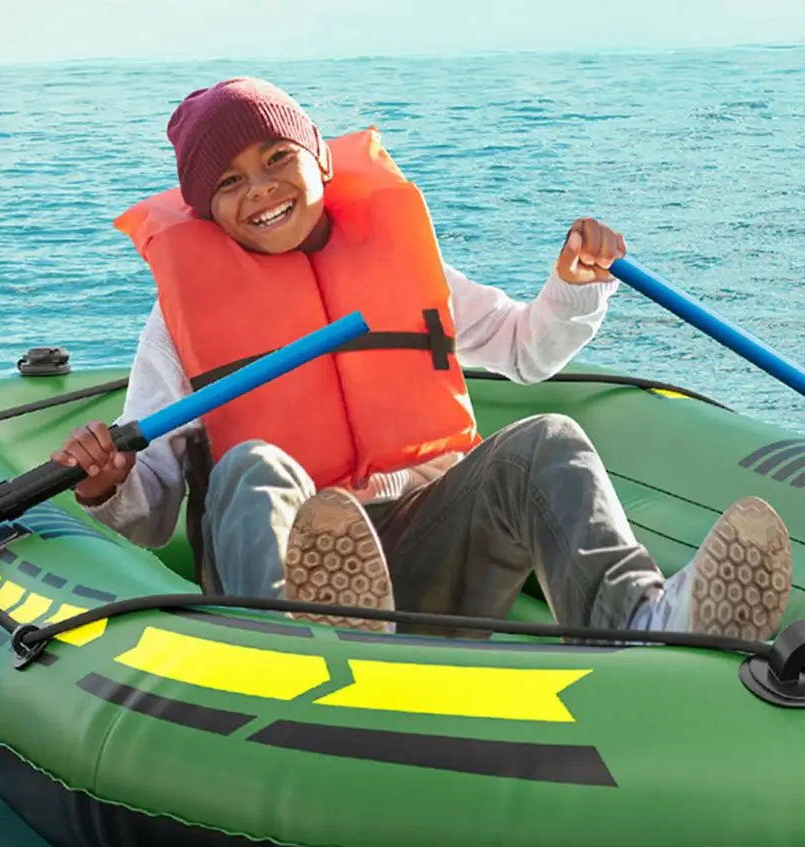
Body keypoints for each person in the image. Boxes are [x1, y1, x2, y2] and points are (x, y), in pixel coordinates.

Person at [51, 77, 793, 641]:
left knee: (547, 442)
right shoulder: (178, 323)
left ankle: (642, 620)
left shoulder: (401, 270)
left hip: (421, 553)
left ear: (318, 160)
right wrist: (110, 482)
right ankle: (297, 649)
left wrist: (569, 290)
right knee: (253, 464)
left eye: (278, 158)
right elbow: (151, 515)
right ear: (204, 208)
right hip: (275, 584)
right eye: (230, 182)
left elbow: (523, 350)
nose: (263, 189)